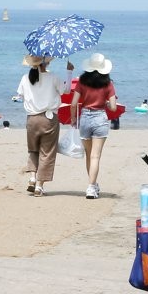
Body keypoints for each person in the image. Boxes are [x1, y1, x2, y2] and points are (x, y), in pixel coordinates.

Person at [16, 54, 73, 196]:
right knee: (47, 152)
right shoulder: (53, 77)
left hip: (32, 119)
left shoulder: (25, 78)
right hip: (49, 119)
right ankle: (39, 186)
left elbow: (20, 96)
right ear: (46, 63)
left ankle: (32, 177)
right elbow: (66, 91)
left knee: (33, 149)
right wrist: (69, 72)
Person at [70, 53, 117, 199]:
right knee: (96, 156)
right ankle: (91, 187)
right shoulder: (108, 84)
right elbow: (114, 108)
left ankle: (93, 185)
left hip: (84, 117)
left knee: (89, 156)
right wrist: (107, 103)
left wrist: (73, 119)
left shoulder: (82, 82)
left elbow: (73, 104)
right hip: (100, 118)